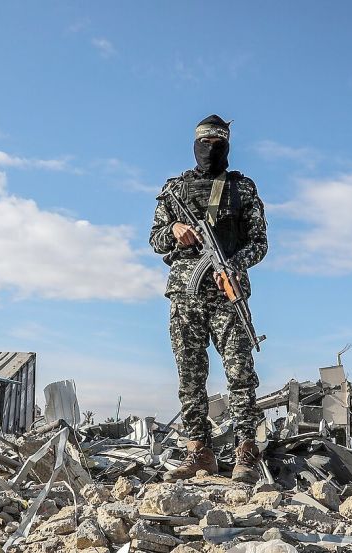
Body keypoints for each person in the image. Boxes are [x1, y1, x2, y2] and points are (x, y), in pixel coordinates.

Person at [149, 114, 268, 483]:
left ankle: (246, 451)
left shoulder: (242, 189)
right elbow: (155, 240)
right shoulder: (175, 189)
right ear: (194, 144)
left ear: (227, 145)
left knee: (240, 374)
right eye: (205, 143)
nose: (210, 149)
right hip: (185, 295)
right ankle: (199, 452)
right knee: (190, 377)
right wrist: (174, 229)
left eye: (218, 143)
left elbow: (259, 243)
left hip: (227, 295)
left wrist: (233, 263)